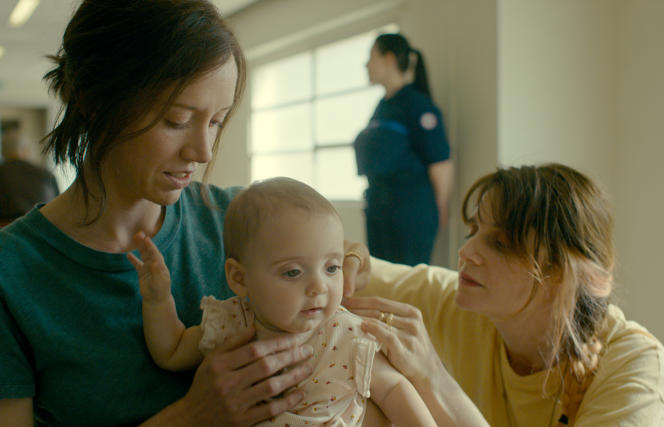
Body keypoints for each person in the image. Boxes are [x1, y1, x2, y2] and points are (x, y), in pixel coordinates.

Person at [0, 1, 370, 425]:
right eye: (177, 120)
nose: (203, 151)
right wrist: (192, 415)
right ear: (95, 102)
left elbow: (343, 259)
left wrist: (352, 263)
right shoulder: (11, 274)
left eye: (216, 121)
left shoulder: (241, 218)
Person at [345, 163, 664, 426]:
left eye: (499, 243)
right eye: (473, 231)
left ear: (560, 273)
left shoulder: (634, 366)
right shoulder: (467, 307)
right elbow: (353, 269)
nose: (466, 252)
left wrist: (433, 378)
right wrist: (346, 259)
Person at [130, 176, 436, 426]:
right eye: (293, 272)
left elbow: (395, 389)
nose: (319, 286)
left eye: (332, 268)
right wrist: (158, 299)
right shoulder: (232, 324)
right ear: (239, 278)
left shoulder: (345, 333)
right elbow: (171, 351)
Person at [353, 32, 453, 266]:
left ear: (389, 59)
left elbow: (440, 162)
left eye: (371, 57)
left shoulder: (417, 105)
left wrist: (440, 207)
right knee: (380, 276)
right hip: (380, 208)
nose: (367, 65)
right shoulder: (383, 106)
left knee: (407, 279)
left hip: (409, 210)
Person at [0, 130, 59, 223]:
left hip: (4, 229)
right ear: (25, 149)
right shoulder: (45, 174)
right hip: (40, 226)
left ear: (3, 151)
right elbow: (57, 206)